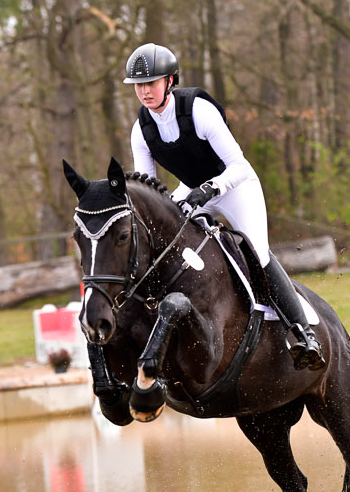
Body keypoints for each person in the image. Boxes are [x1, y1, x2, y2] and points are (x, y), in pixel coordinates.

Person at [123, 42, 325, 371]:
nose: (144, 91)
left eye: (151, 83)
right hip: (192, 191)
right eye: (139, 86)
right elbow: (149, 191)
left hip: (234, 186)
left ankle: (301, 332)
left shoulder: (199, 111)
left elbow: (239, 166)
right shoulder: (141, 131)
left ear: (170, 82)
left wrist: (211, 188)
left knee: (256, 252)